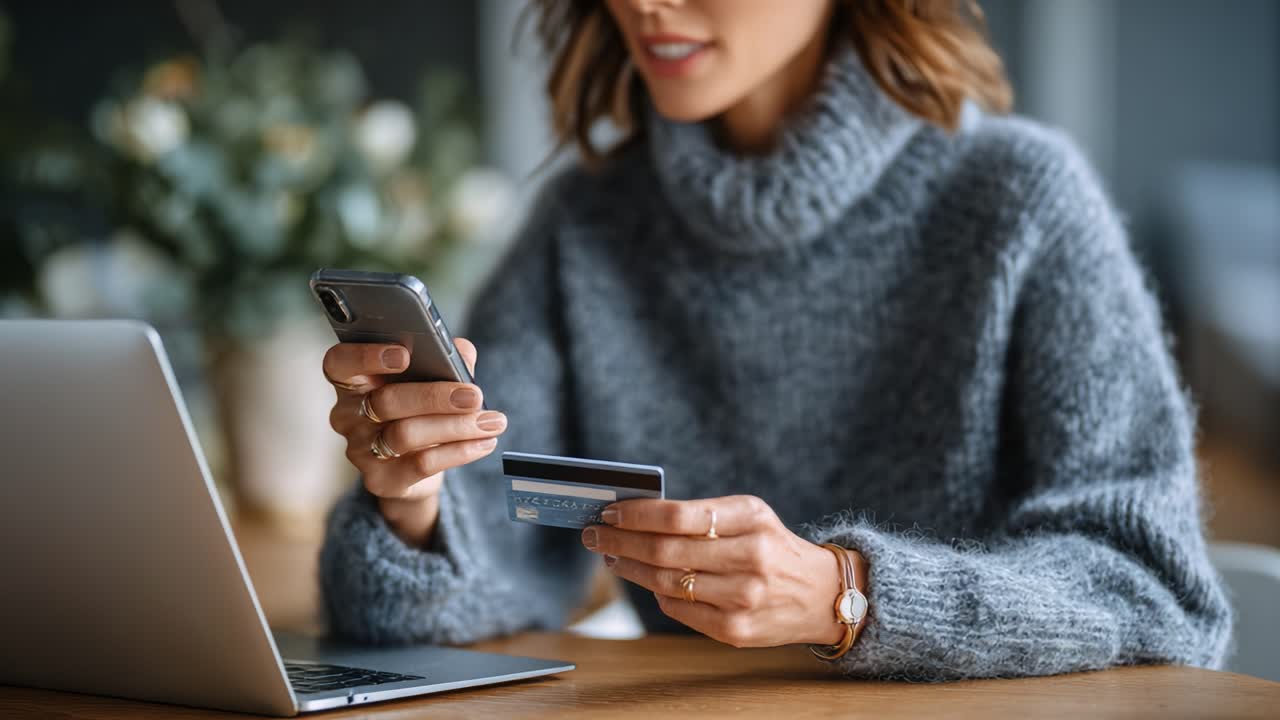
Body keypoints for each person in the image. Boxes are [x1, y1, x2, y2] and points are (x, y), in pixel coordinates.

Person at [318, 0, 1232, 679]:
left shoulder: (1020, 200)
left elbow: (1154, 589)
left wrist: (851, 595)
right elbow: (464, 579)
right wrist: (414, 502)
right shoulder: (586, 226)